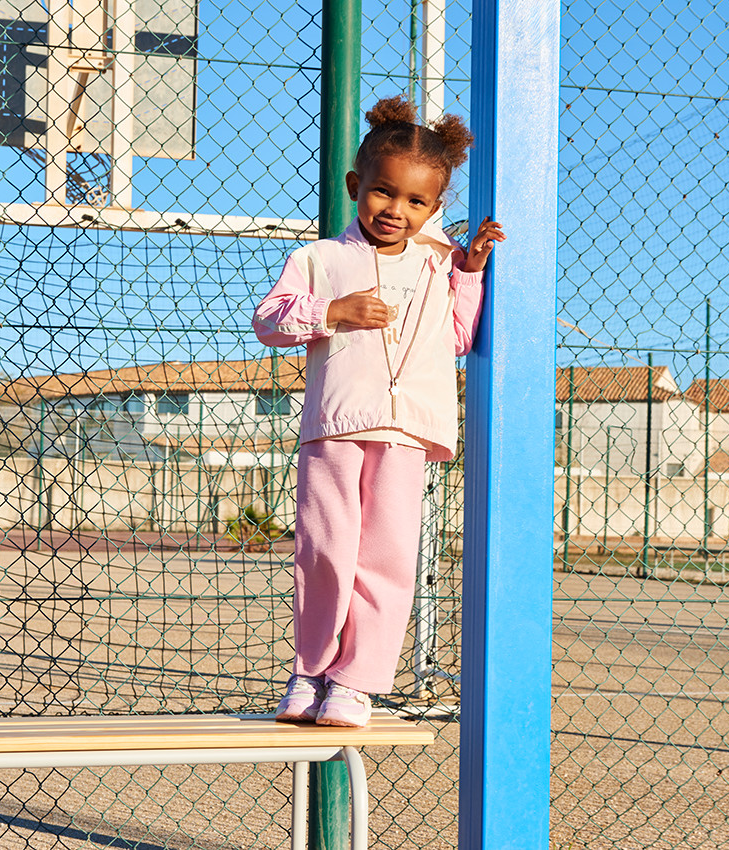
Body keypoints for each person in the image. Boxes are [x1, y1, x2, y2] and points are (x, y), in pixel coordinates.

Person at [252, 95, 505, 727]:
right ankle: (310, 670)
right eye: (384, 194)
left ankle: (356, 683)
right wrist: (331, 313)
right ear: (355, 186)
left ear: (435, 208)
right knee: (323, 551)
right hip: (334, 428)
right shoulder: (319, 259)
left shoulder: (438, 263)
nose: (397, 211)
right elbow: (268, 320)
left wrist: (470, 271)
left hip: (408, 429)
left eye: (416, 202)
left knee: (387, 556)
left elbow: (454, 338)